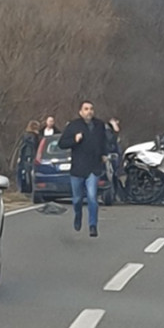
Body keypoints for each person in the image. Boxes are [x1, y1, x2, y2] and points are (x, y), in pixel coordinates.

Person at [58, 101, 108, 237]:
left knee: (92, 197)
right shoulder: (74, 126)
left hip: (94, 167)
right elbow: (62, 143)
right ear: (80, 112)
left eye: (91, 109)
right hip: (78, 168)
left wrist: (104, 154)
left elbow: (104, 141)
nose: (89, 111)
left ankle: (93, 225)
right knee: (77, 199)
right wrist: (74, 139)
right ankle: (78, 215)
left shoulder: (99, 125)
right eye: (86, 109)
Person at [17, 120, 41, 193]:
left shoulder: (26, 135)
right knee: (29, 172)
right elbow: (33, 146)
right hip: (30, 156)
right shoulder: (32, 136)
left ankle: (23, 188)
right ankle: (29, 188)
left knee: (24, 172)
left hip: (25, 156)